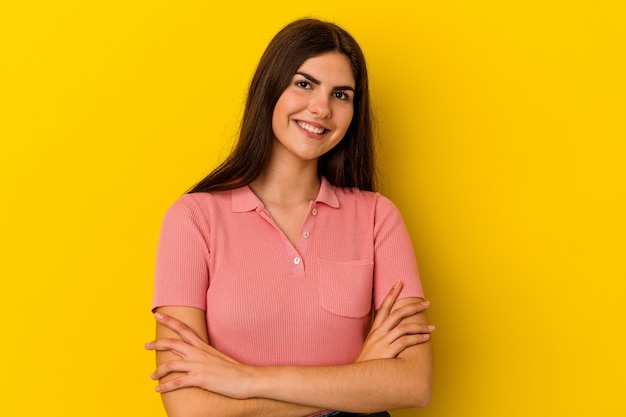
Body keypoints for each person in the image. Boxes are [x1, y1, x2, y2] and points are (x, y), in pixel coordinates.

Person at [145, 18, 434, 417]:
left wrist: (246, 380)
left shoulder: (376, 217)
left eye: (341, 94)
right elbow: (190, 407)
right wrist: (355, 380)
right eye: (304, 84)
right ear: (270, 89)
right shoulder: (193, 219)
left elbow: (413, 383)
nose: (321, 108)